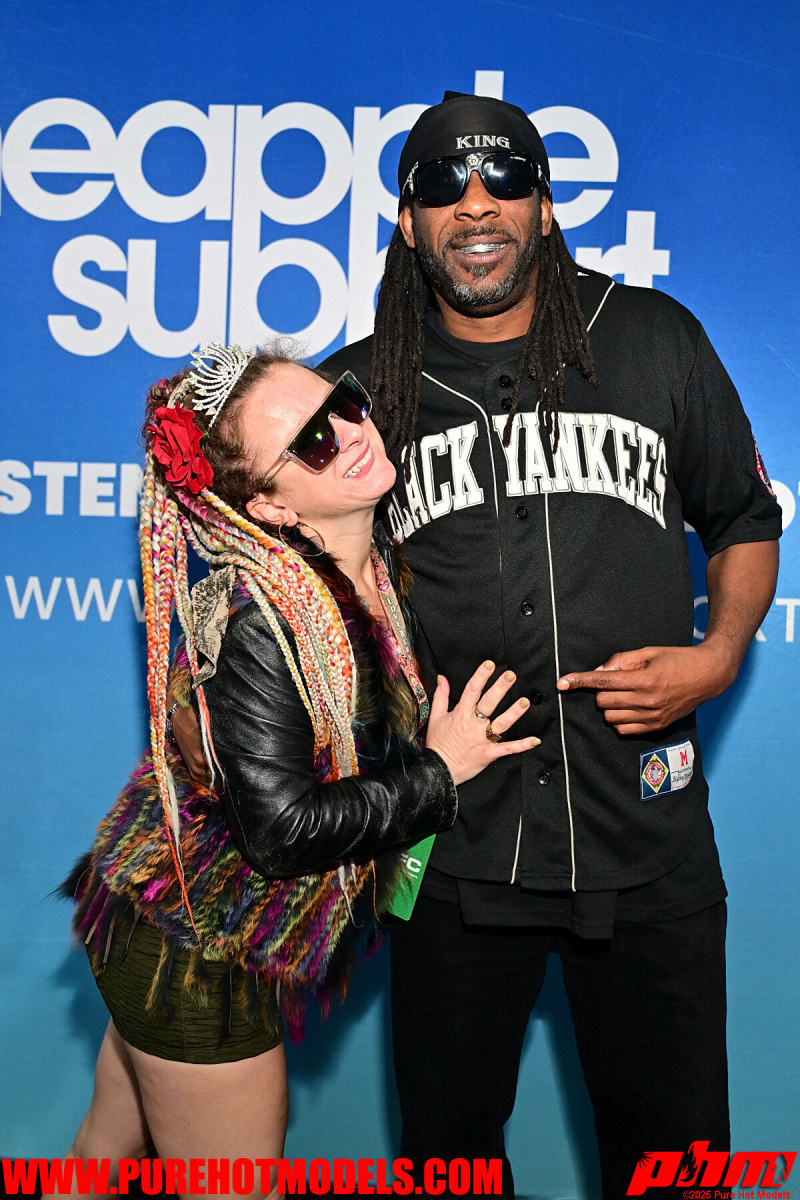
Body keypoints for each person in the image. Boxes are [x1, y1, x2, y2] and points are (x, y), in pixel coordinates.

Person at [318, 92, 783, 1197]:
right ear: (406, 222)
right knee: (450, 1163)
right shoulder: (356, 390)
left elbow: (742, 517)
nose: (475, 206)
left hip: (646, 835)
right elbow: (299, 594)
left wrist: (719, 654)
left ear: (543, 205)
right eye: (443, 185)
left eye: (504, 179)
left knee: (676, 1165)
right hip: (452, 847)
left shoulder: (651, 337)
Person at [57, 343, 537, 1200]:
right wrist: (441, 771)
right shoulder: (263, 621)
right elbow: (280, 833)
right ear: (270, 506)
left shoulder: (376, 571)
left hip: (158, 921)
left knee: (102, 1155)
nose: (349, 433)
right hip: (196, 957)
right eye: (310, 442)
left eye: (343, 404)